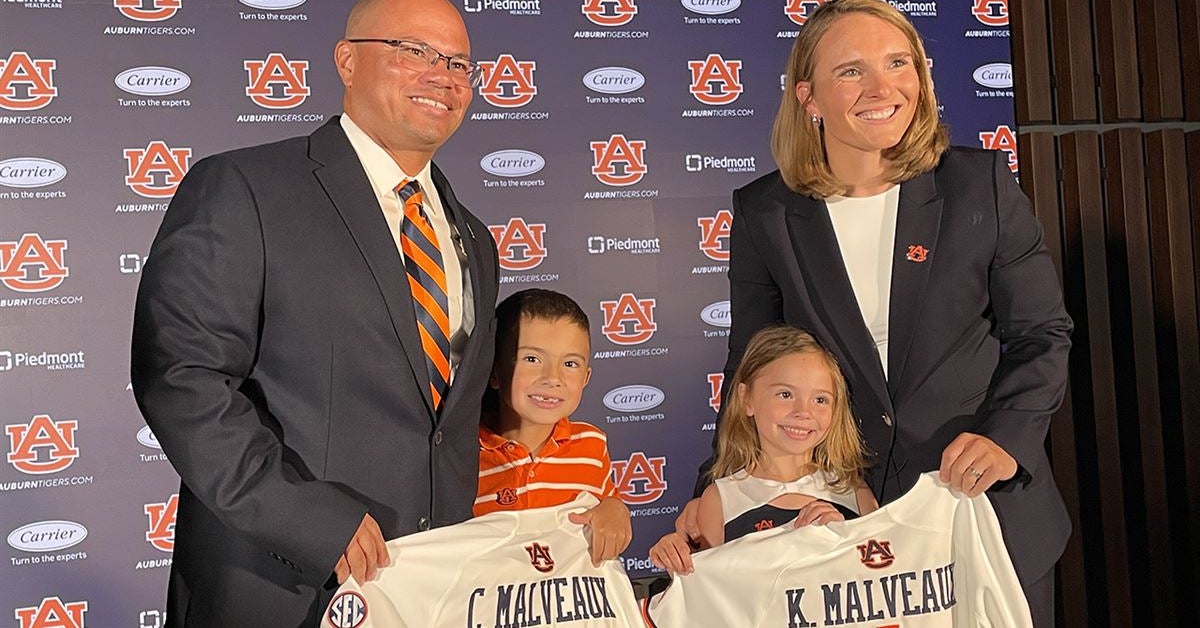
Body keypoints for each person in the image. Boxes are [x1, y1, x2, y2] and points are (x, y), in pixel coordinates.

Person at [679, 1, 1072, 625]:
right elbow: (751, 364)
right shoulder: (765, 213)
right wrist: (713, 489)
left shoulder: (979, 184)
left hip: (980, 511)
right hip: (837, 523)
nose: (883, 88)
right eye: (852, 71)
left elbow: (1042, 335)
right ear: (808, 96)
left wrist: (1006, 439)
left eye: (899, 64)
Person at [129, 0, 499, 624]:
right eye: (414, 51)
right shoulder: (245, 188)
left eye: (460, 62)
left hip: (430, 590)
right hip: (276, 590)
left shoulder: (475, 238)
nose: (445, 74)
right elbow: (183, 379)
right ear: (348, 61)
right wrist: (306, 520)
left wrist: (574, 505)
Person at [649, 325, 876, 575]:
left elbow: (878, 584)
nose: (803, 411)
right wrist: (677, 563)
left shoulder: (854, 494)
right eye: (785, 394)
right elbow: (712, 595)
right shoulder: (721, 500)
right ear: (747, 399)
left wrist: (844, 542)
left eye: (820, 399)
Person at [475, 288, 632, 565]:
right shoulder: (463, 452)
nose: (553, 378)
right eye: (532, 359)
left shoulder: (592, 445)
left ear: (586, 377)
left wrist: (615, 509)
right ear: (495, 371)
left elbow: (609, 504)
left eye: (570, 363)